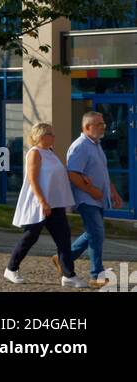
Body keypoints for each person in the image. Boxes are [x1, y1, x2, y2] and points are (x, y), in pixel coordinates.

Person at [4, 122, 86, 287]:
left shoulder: (50, 152)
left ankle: (68, 275)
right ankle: (11, 269)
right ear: (41, 136)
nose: (54, 137)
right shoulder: (35, 153)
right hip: (39, 204)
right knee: (30, 237)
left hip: (55, 204)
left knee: (63, 239)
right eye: (51, 134)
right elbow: (33, 180)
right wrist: (43, 202)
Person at [66, 111, 123, 287]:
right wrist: (91, 190)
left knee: (93, 233)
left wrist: (113, 192)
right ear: (87, 127)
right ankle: (96, 275)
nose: (103, 126)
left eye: (103, 124)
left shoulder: (96, 145)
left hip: (98, 198)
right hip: (86, 199)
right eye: (99, 124)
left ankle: (64, 259)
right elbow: (72, 174)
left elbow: (103, 173)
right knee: (97, 234)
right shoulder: (80, 146)